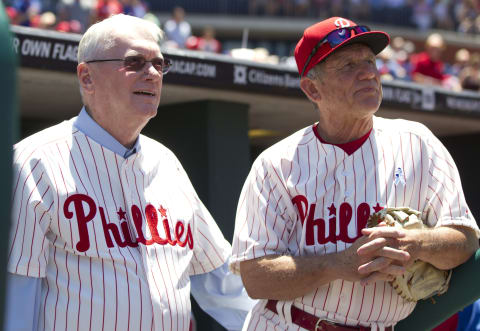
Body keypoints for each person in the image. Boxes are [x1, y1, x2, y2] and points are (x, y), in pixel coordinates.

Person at [5, 13, 255, 331]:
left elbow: (222, 284)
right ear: (86, 77)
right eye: (134, 62)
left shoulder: (167, 164)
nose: (152, 74)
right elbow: (17, 302)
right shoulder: (34, 162)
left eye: (159, 64)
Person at [230, 16, 480, 331]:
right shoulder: (276, 165)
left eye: (370, 61)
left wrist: (416, 243)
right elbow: (256, 278)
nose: (367, 73)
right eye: (348, 65)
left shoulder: (418, 143)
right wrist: (338, 265)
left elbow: (466, 239)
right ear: (311, 88)